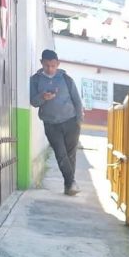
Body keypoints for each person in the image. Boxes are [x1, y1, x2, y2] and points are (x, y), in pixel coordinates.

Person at [29, 49, 84, 196]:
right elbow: (33, 102)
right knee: (60, 153)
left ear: (58, 64)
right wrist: (43, 97)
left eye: (53, 65)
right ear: (41, 63)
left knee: (70, 155)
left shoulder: (66, 79)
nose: (50, 68)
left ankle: (69, 185)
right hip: (51, 124)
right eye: (47, 65)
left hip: (71, 121)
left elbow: (77, 100)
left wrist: (79, 120)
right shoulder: (35, 80)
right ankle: (71, 183)